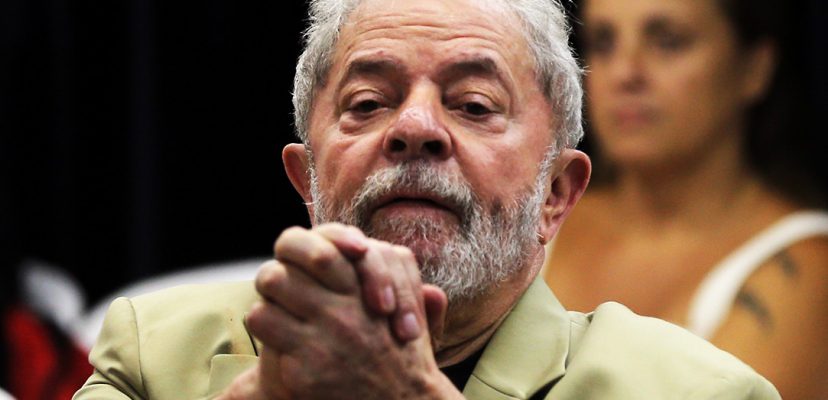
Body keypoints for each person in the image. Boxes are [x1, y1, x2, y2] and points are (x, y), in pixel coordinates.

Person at [74, 0, 781, 398]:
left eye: (473, 105)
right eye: (369, 101)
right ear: (307, 182)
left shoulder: (700, 392)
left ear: (556, 195)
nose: (415, 128)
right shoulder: (152, 354)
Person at [542, 0, 828, 398]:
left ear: (755, 68)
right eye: (603, 42)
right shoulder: (535, 213)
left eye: (667, 42)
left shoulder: (807, 268)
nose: (625, 73)